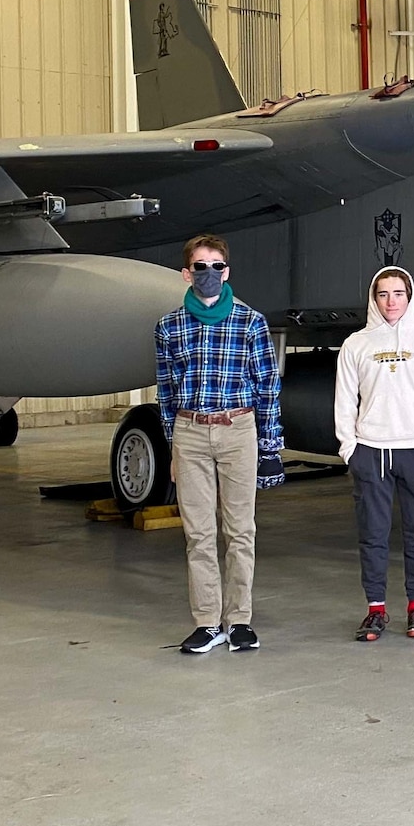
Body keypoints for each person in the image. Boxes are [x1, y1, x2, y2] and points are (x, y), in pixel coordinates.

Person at [155, 233, 284, 655]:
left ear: (226, 272)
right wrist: (173, 447)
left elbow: (267, 387)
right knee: (198, 533)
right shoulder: (169, 327)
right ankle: (208, 621)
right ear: (185, 272)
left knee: (240, 530)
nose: (207, 273)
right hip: (190, 432)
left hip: (237, 430)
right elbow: (166, 392)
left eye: (215, 266)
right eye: (199, 266)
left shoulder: (251, 323)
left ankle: (240, 620)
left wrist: (269, 447)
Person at [335, 267, 414, 641]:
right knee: (373, 534)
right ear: (374, 298)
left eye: (398, 293)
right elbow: (344, 401)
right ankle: (375, 610)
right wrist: (350, 449)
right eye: (383, 294)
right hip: (371, 451)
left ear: (410, 295)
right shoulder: (356, 344)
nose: (391, 302)